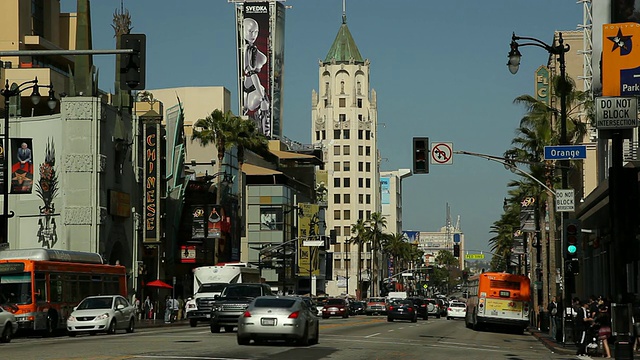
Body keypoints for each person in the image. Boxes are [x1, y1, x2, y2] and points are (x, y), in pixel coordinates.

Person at [242, 17, 271, 137]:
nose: (254, 35)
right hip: (250, 89)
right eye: (250, 31)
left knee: (262, 106)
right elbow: (251, 73)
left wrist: (261, 94)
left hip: (252, 89)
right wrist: (261, 94)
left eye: (256, 32)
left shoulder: (252, 50)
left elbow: (253, 73)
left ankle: (265, 134)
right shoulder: (247, 50)